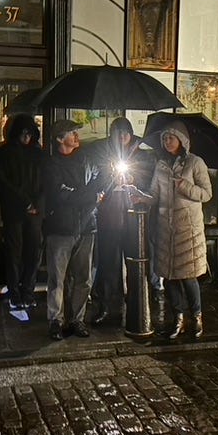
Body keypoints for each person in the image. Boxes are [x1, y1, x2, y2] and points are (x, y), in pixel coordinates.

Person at [144, 120, 212, 338]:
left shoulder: (195, 163)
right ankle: (178, 318)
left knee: (188, 276)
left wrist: (185, 186)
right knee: (170, 276)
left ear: (181, 140)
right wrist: (141, 197)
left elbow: (206, 193)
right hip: (165, 229)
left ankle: (197, 316)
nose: (166, 142)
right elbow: (154, 194)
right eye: (164, 138)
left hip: (187, 230)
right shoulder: (161, 164)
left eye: (170, 138)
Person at [42, 119, 108, 341]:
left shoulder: (86, 160)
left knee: (83, 277)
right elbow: (62, 196)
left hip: (86, 226)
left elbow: (98, 184)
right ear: (60, 138)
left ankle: (77, 318)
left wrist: (93, 192)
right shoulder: (51, 164)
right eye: (72, 133)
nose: (77, 136)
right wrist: (89, 196)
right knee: (57, 278)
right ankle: (55, 320)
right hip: (60, 227)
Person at [90, 117, 154, 325]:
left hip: (135, 216)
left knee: (135, 260)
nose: (122, 137)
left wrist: (135, 181)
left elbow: (150, 182)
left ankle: (137, 302)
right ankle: (107, 305)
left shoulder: (141, 155)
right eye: (118, 133)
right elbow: (96, 181)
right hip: (110, 215)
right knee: (109, 262)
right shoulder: (103, 153)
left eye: (125, 133)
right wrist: (110, 177)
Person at [0, 114, 44, 321]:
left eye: (30, 133)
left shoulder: (38, 155)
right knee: (14, 253)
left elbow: (45, 183)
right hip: (15, 211)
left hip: (32, 211)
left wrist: (36, 204)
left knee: (33, 252)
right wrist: (28, 203)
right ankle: (15, 293)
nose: (27, 137)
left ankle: (28, 291)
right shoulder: (3, 153)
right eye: (23, 133)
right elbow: (2, 182)